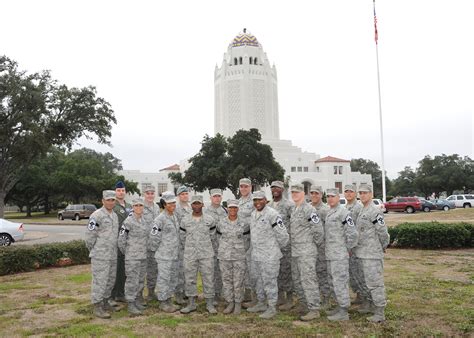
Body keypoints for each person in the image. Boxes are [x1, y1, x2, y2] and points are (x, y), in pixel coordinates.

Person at [247, 191, 289, 319]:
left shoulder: (273, 214)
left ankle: (271, 307)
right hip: (256, 255)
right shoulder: (253, 214)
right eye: (255, 200)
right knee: (259, 281)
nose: (257, 202)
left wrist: (273, 249)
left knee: (270, 282)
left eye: (260, 200)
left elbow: (283, 236)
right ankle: (261, 303)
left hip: (270, 256)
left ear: (266, 200)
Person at [353, 183, 389, 322]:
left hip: (372, 254)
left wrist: (383, 246)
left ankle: (380, 312)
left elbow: (382, 232)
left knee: (375, 283)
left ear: (371, 194)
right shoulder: (362, 210)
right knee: (366, 282)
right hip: (362, 253)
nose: (362, 195)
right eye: (360, 193)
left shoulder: (375, 211)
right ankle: (370, 305)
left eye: (365, 193)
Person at [288, 184, 324, 321]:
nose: (294, 194)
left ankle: (314, 309)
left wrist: (311, 245)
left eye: (297, 192)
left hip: (306, 251)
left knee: (308, 279)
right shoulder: (295, 209)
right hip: (296, 251)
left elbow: (318, 231)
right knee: (297, 280)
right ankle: (304, 304)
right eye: (292, 192)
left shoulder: (309, 209)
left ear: (303, 193)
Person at [324, 188, 358, 321]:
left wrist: (347, 248)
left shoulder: (343, 212)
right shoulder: (329, 212)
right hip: (330, 254)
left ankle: (344, 312)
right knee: (333, 282)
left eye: (333, 196)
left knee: (340, 282)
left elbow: (352, 233)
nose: (330, 198)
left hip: (339, 255)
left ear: (338, 197)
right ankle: (339, 306)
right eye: (328, 196)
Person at [180, 195, 218, 314]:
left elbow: (213, 237)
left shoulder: (210, 220)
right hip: (190, 254)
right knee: (190, 278)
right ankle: (191, 303)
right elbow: (182, 237)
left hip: (206, 254)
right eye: (194, 204)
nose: (196, 206)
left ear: (203, 205)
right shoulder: (185, 220)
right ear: (191, 205)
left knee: (208, 278)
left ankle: (210, 303)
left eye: (199, 203)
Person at [85, 190, 119, 319]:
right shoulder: (96, 215)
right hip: (100, 255)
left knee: (110, 280)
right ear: (103, 201)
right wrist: (95, 250)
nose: (110, 202)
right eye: (108, 200)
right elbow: (89, 237)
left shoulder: (114, 216)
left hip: (112, 254)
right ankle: (97, 306)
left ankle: (105, 302)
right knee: (100, 280)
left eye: (112, 200)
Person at [148, 193, 181, 313]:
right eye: (170, 203)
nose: (173, 205)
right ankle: (162, 302)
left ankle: (168, 300)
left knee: (172, 278)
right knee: (164, 279)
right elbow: (153, 238)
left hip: (174, 255)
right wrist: (159, 250)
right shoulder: (159, 219)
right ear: (164, 204)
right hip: (164, 256)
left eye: (174, 202)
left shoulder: (174, 216)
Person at [216, 199, 248, 315]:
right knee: (227, 280)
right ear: (227, 209)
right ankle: (230, 303)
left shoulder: (244, 224)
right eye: (230, 208)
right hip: (224, 256)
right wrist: (224, 248)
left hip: (239, 256)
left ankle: (238, 303)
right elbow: (218, 237)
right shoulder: (221, 223)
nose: (233, 210)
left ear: (238, 209)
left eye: (235, 207)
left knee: (238, 281)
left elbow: (247, 240)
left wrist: (241, 249)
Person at [118, 198, 148, 316]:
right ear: (133, 208)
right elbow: (121, 240)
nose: (139, 207)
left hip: (143, 256)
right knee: (132, 281)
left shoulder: (144, 221)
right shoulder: (128, 222)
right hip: (132, 257)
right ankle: (130, 303)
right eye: (136, 205)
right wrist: (129, 253)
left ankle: (137, 300)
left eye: (141, 205)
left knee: (140, 280)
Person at [268, 180, 295, 310]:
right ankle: (280, 297)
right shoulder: (269, 205)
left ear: (282, 190)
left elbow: (294, 224)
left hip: (285, 244)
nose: (275, 190)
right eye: (273, 188)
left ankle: (289, 298)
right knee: (276, 271)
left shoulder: (289, 205)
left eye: (278, 188)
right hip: (272, 245)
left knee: (286, 270)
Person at [309, 185, 331, 309]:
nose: (314, 196)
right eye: (312, 193)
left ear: (321, 194)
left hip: (322, 247)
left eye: (316, 193)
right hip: (309, 247)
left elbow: (328, 230)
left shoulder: (325, 210)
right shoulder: (307, 208)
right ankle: (314, 298)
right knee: (312, 274)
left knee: (322, 273)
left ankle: (326, 298)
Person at [205, 188, 227, 303]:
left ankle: (218, 293)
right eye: (214, 196)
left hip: (222, 246)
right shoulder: (205, 211)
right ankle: (211, 294)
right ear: (210, 198)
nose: (217, 198)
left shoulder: (225, 211)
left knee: (220, 271)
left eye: (219, 196)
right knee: (210, 271)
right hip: (210, 246)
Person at [344, 184, 365, 305]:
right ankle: (358, 294)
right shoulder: (345, 207)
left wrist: (354, 244)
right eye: (346, 192)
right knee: (352, 271)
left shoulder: (358, 207)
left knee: (358, 271)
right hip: (349, 245)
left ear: (355, 193)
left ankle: (362, 295)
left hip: (357, 246)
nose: (348, 194)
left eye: (351, 191)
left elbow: (359, 228)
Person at [112, 180, 132, 304]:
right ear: (115, 192)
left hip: (128, 242)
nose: (121, 192)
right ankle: (114, 293)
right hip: (116, 242)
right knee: (117, 269)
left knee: (125, 269)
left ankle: (122, 293)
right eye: (119, 191)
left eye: (123, 190)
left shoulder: (129, 206)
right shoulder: (112, 205)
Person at [237, 178, 255, 307]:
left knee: (251, 267)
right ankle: (244, 292)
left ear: (250, 187)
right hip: (240, 241)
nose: (243, 189)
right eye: (241, 186)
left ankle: (251, 295)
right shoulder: (238, 202)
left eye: (246, 186)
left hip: (252, 239)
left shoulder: (255, 201)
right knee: (242, 266)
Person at [142, 185, 160, 303]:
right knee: (140, 271)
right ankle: (137, 296)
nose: (150, 195)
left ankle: (151, 292)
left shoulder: (157, 207)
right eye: (148, 193)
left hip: (155, 245)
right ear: (144, 194)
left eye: (152, 193)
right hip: (142, 245)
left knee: (153, 270)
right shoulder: (139, 207)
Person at [174, 185, 191, 305]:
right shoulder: (175, 209)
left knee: (188, 269)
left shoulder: (191, 207)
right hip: (179, 243)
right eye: (182, 194)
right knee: (179, 270)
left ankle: (186, 291)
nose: (185, 196)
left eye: (186, 194)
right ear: (178, 196)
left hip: (190, 243)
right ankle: (178, 293)